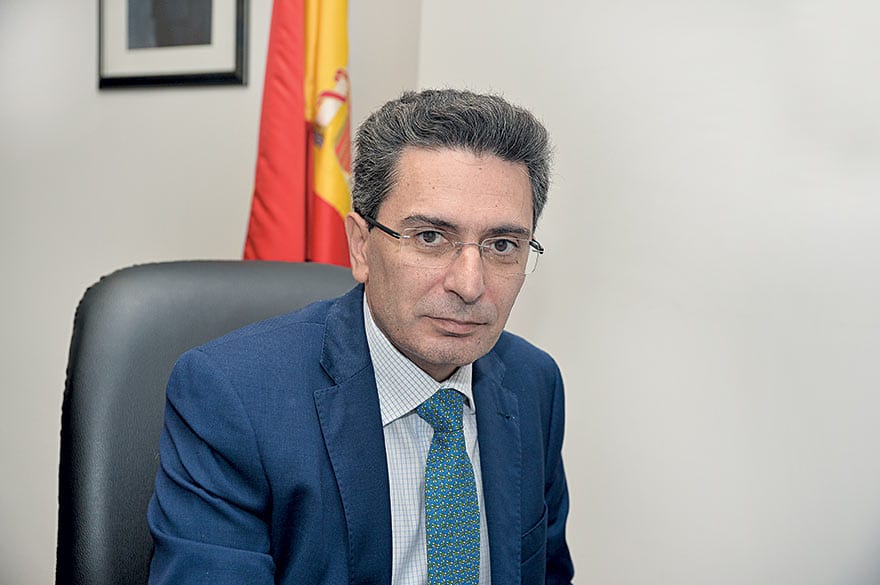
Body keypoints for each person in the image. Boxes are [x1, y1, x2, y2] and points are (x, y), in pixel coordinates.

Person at [147, 89, 574, 584]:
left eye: (502, 245)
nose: (470, 284)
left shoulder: (533, 382)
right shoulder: (233, 396)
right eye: (430, 237)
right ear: (361, 247)